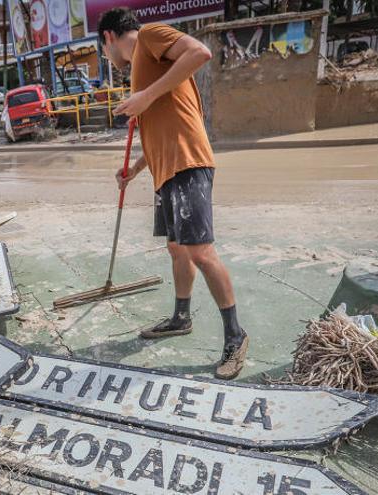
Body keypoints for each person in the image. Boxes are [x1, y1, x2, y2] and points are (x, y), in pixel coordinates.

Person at [99, 7, 248, 380]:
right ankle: (181, 317)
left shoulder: (149, 36)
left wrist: (145, 96)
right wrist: (134, 170)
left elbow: (200, 52)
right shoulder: (140, 72)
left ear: (109, 38)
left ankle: (236, 335)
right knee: (177, 248)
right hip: (166, 170)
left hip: (189, 163)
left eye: (103, 51)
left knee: (200, 250)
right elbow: (161, 130)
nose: (107, 58)